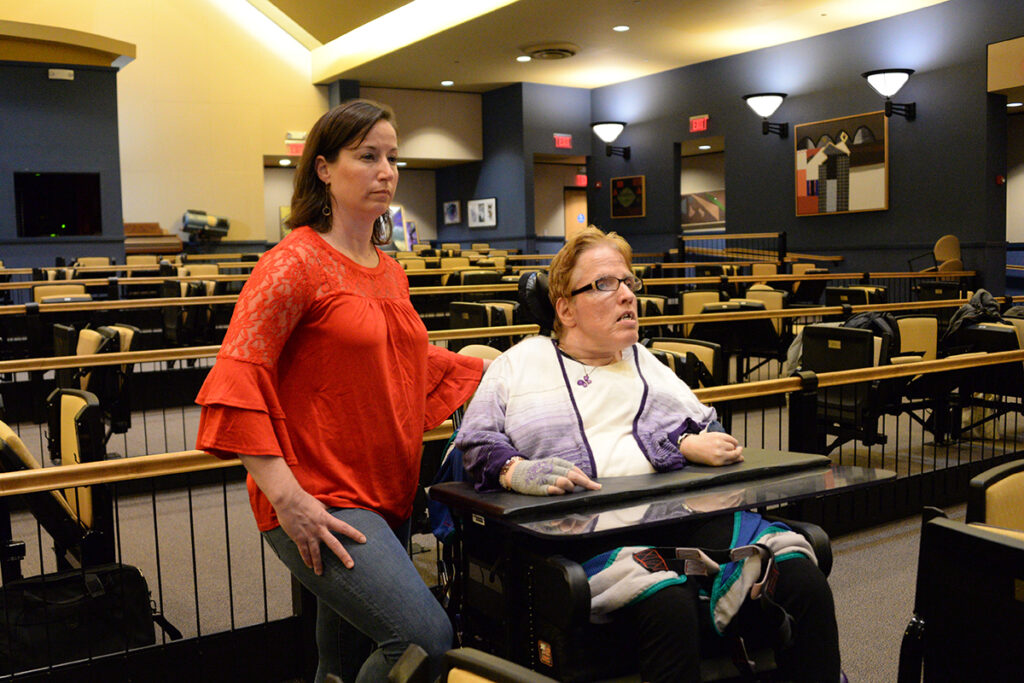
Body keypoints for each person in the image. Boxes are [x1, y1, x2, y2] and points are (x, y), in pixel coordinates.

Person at [455, 226, 840, 683]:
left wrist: (687, 444)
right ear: (565, 309)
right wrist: (516, 470)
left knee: (801, 577)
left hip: (685, 519)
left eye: (628, 281)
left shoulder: (646, 362)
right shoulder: (518, 365)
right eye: (603, 284)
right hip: (591, 535)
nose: (626, 295)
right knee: (667, 601)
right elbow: (475, 443)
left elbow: (705, 425)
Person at [195, 99, 486, 683]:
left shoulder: (388, 267)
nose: (386, 171)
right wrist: (288, 498)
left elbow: (393, 360)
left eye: (392, 158)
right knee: (424, 640)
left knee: (345, 660)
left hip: (387, 489)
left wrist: (488, 366)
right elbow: (239, 376)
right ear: (324, 168)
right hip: (319, 496)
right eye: (367, 156)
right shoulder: (292, 263)